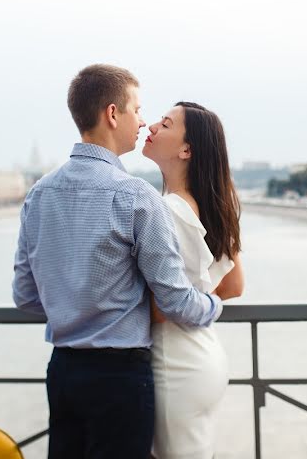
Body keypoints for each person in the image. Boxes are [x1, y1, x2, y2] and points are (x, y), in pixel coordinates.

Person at [12, 65, 223, 459]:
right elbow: (176, 300)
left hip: (63, 371)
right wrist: (214, 305)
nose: (143, 122)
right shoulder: (135, 196)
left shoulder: (39, 194)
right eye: (137, 110)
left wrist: (71, 304)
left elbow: (25, 296)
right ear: (112, 114)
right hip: (119, 376)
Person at [142, 101, 245, 459]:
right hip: (204, 356)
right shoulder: (214, 203)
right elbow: (233, 286)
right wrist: (196, 294)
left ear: (187, 150)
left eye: (165, 124)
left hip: (174, 365)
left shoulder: (168, 211)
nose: (151, 126)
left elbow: (157, 310)